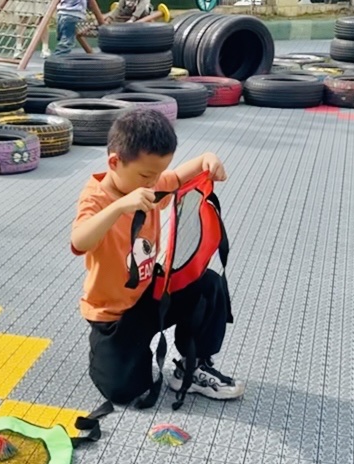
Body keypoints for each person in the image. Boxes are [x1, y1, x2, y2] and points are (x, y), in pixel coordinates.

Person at [70, 108, 245, 405]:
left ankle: (192, 365)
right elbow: (79, 240)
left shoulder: (147, 183)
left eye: (156, 175)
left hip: (151, 293)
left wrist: (206, 159)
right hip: (114, 313)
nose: (153, 183)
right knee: (123, 392)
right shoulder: (96, 197)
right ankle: (111, 354)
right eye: (145, 175)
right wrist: (118, 207)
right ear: (114, 162)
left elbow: (175, 178)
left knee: (209, 285)